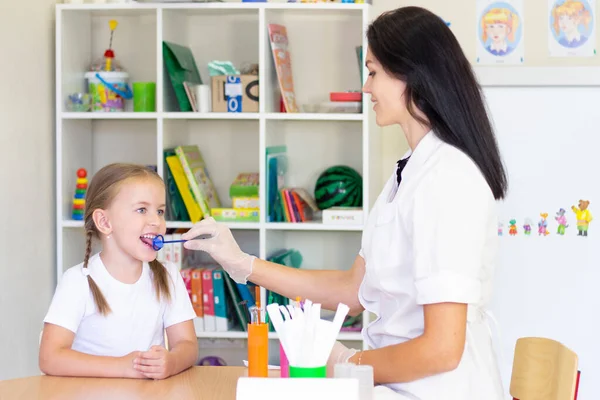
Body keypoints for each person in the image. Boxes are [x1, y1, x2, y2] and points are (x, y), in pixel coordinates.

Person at [182, 6, 507, 399]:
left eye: (373, 72)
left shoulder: (448, 178)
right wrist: (242, 264)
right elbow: (353, 291)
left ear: (411, 74)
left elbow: (442, 349)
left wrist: (348, 366)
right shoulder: (409, 172)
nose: (365, 88)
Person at [40, 163, 198, 380]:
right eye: (142, 210)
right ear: (104, 222)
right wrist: (123, 368)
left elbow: (187, 345)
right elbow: (50, 358)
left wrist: (171, 362)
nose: (156, 221)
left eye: (160, 211)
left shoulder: (169, 275)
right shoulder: (77, 281)